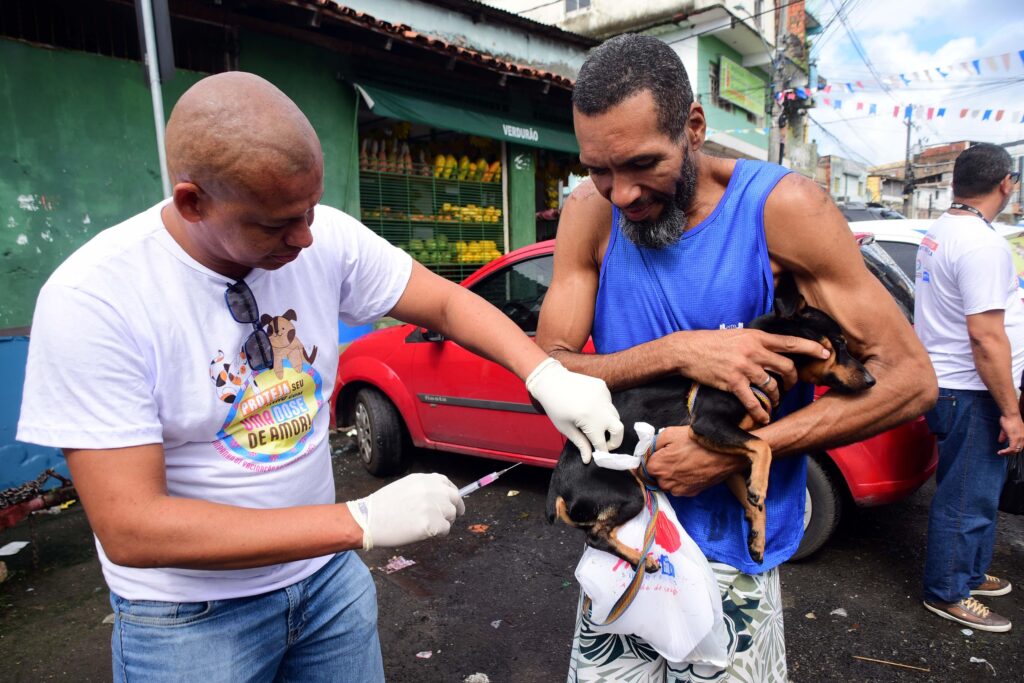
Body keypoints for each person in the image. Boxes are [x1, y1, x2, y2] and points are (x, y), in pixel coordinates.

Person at [16, 72, 624, 682]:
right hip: (188, 619)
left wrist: (542, 371)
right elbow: (132, 527)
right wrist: (359, 521)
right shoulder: (95, 300)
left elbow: (442, 303)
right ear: (192, 202)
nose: (305, 239)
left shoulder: (321, 236)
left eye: (310, 210)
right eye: (276, 224)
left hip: (325, 581)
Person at [535, 35, 936, 681]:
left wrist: (738, 447)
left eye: (643, 164)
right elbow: (544, 372)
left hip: (732, 556)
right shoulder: (589, 213)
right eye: (600, 168)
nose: (622, 194)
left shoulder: (783, 208)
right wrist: (680, 350)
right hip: (625, 546)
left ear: (694, 127)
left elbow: (911, 379)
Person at [916, 143, 1023, 633]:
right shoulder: (982, 244)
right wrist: (1011, 411)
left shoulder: (942, 231)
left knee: (977, 490)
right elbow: (985, 337)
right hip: (972, 390)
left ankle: (971, 572)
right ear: (1006, 183)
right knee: (966, 496)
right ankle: (948, 590)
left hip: (955, 384)